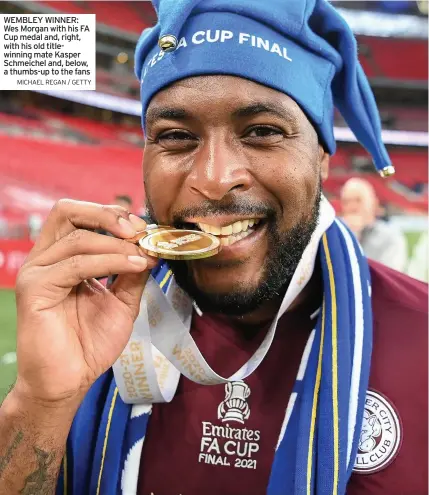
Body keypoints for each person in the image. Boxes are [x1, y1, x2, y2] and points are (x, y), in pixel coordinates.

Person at [0, 1, 427, 494]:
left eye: (262, 131)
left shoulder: (422, 339)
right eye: (176, 136)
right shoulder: (90, 323)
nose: (214, 179)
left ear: (322, 156)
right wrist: (41, 402)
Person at [340, 178, 408, 272]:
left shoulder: (390, 236)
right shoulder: (335, 235)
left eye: (358, 200)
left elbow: (389, 277)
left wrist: (355, 236)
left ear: (374, 204)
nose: (352, 207)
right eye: (346, 202)